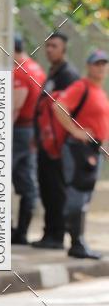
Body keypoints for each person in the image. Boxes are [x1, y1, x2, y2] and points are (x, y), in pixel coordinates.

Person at [53, 50, 109, 259]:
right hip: (78, 150)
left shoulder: (100, 91)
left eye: (104, 63)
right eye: (97, 64)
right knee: (77, 195)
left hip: (94, 151)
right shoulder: (81, 86)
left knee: (85, 196)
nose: (101, 67)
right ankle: (76, 243)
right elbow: (59, 106)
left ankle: (79, 242)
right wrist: (76, 130)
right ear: (89, 66)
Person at [32, 31, 80, 248]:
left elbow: (65, 112)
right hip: (45, 142)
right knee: (47, 188)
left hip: (58, 145)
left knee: (56, 190)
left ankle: (57, 235)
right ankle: (49, 233)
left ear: (64, 49)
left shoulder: (68, 75)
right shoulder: (53, 73)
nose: (50, 50)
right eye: (47, 46)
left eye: (54, 46)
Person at [12, 33, 45, 244]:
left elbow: (15, 107)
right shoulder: (36, 68)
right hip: (33, 130)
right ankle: (22, 232)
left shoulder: (20, 71)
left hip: (18, 131)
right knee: (27, 182)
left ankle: (6, 230)